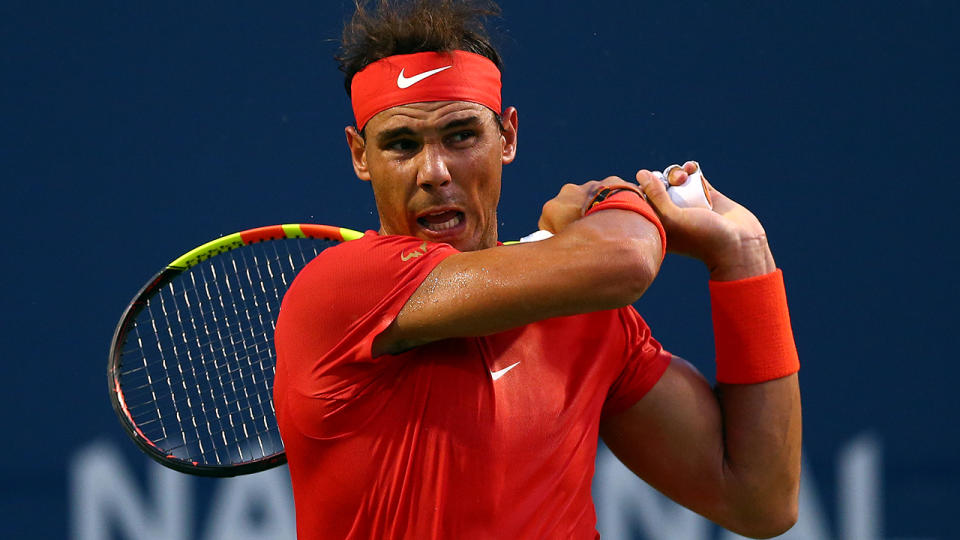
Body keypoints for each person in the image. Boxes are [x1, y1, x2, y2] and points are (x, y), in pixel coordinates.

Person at [273, 1, 801, 538]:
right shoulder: (343, 288)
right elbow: (626, 259)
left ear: (507, 137)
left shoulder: (588, 316)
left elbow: (760, 501)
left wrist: (743, 255)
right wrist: (615, 199)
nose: (434, 172)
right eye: (402, 145)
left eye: (461, 136)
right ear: (360, 156)